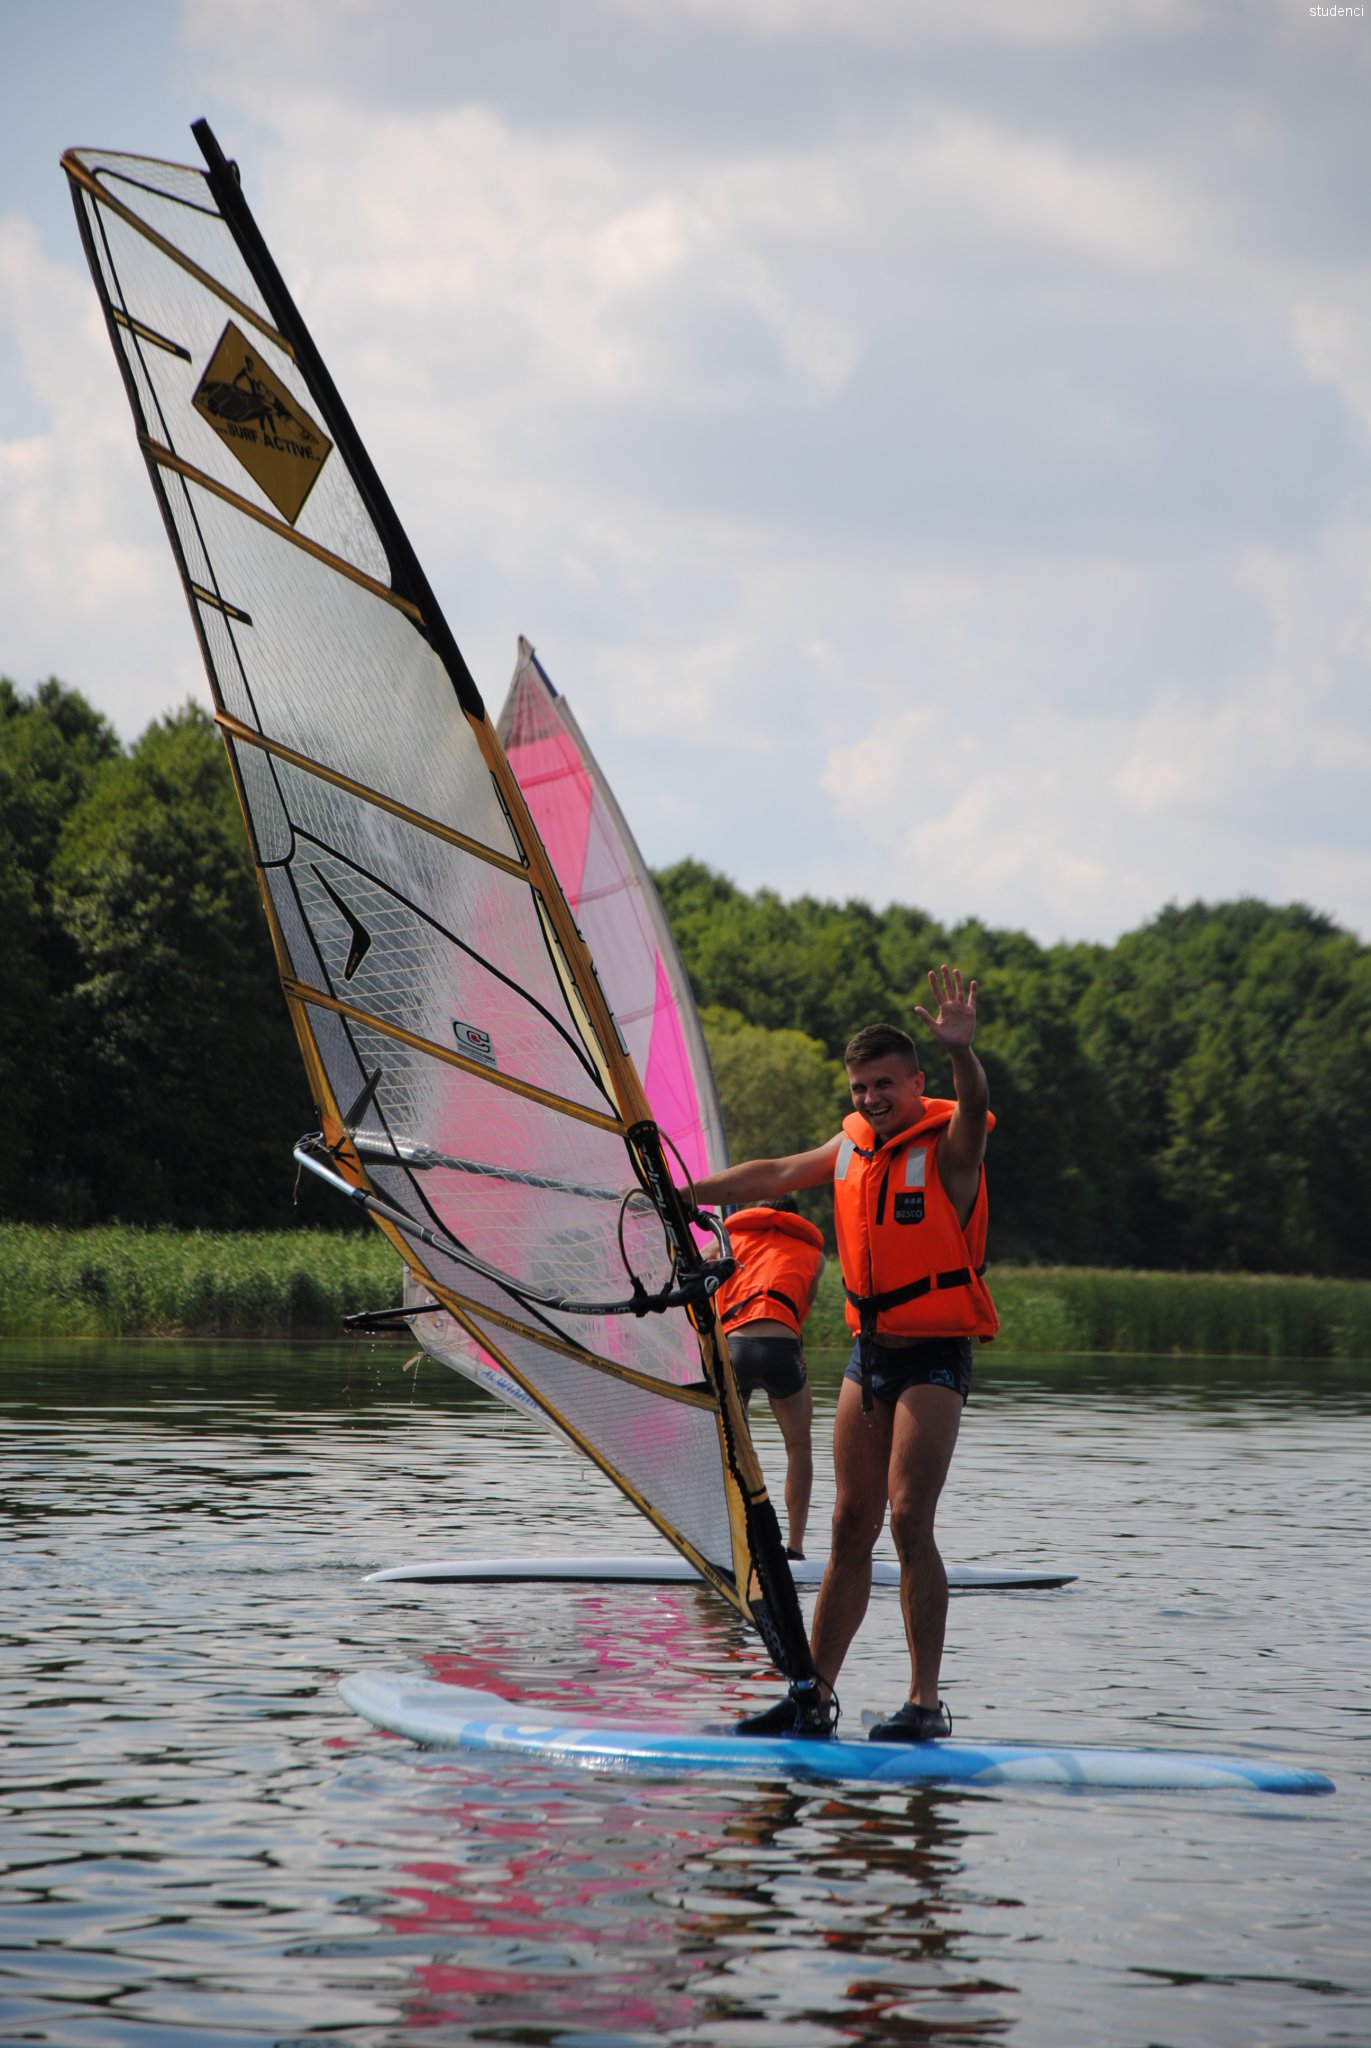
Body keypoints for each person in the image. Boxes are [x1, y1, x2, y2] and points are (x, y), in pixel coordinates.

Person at [692, 965, 997, 1743]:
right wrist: (684, 1192)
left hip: (933, 1356)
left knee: (907, 1518)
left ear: (916, 1083)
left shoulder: (950, 1150)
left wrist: (961, 1050)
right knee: (847, 1524)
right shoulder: (849, 1149)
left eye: (883, 1084)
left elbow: (973, 1107)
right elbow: (770, 1174)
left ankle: (923, 1704)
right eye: (860, 1087)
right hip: (870, 1355)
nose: (870, 1098)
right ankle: (811, 1696)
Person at [714, 1196, 825, 1561]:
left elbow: (693, 1274)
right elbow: (801, 1308)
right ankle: (795, 1547)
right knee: (799, 1448)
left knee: (731, 1447)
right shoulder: (815, 1255)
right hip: (783, 1351)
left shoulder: (727, 1240)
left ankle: (737, 1540)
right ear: (795, 1219)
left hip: (734, 1350)